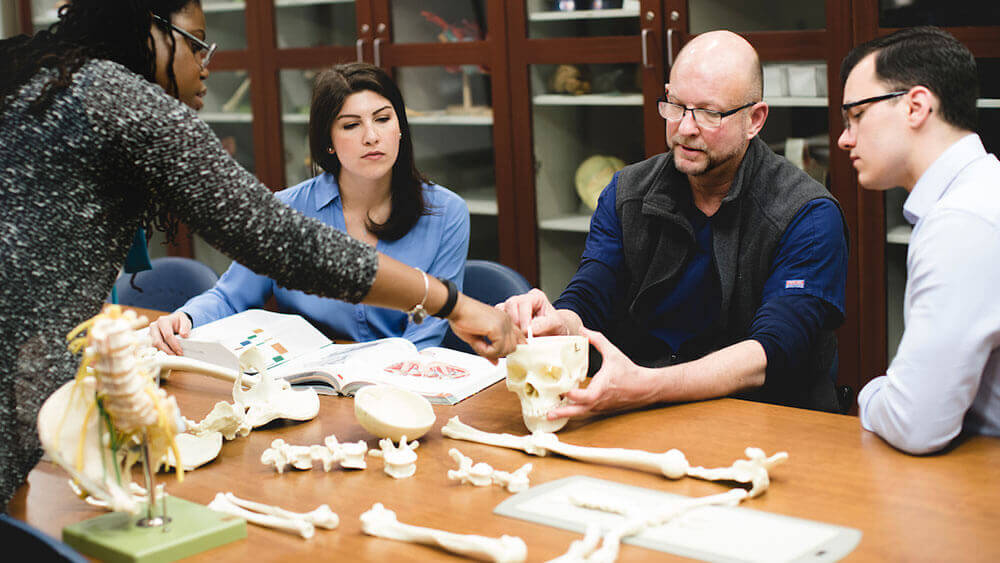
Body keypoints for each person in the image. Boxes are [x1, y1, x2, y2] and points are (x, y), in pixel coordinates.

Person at [0, 0, 519, 511]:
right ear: (149, 31)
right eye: (198, 44)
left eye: (382, 119)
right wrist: (453, 302)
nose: (207, 65)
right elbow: (281, 241)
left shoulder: (37, 79)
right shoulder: (120, 100)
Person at [500, 30, 849, 421]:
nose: (685, 128)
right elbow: (591, 295)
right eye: (677, 106)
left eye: (709, 112)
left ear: (755, 119)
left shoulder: (807, 213)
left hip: (766, 421)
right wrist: (558, 325)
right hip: (639, 412)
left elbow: (773, 349)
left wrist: (647, 386)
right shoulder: (626, 193)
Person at [150, 63, 469, 353]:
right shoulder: (286, 211)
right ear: (328, 140)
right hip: (309, 388)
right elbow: (230, 296)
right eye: (350, 125)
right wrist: (186, 318)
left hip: (400, 389)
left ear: (400, 128)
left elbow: (427, 335)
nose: (372, 136)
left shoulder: (446, 213)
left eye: (383, 119)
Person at [838, 27, 1000, 454]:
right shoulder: (981, 193)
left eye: (856, 115)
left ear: (916, 106)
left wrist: (873, 393)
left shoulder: (963, 223)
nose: (844, 138)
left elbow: (916, 425)